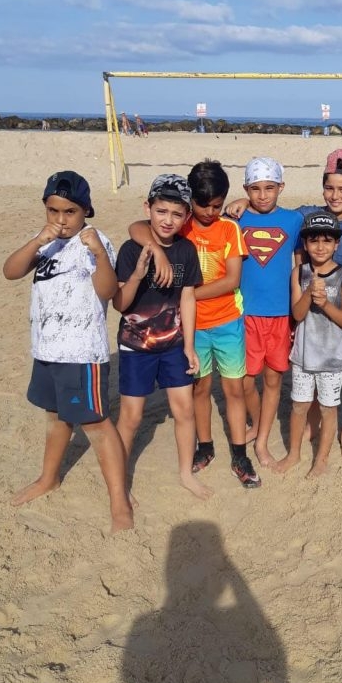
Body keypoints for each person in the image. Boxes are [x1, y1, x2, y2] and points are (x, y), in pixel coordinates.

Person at [226, 148, 342, 462]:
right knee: (321, 372)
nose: (335, 195)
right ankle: (313, 423)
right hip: (321, 319)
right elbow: (271, 208)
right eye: (329, 188)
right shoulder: (306, 215)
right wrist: (243, 202)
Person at [2, 170, 133, 533]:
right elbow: (10, 272)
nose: (61, 219)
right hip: (47, 349)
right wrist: (36, 241)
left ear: (86, 210)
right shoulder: (44, 242)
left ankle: (119, 500)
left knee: (95, 424)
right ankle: (48, 478)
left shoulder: (95, 241)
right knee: (55, 415)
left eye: (70, 211)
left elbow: (107, 291)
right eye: (53, 210)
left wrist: (99, 254)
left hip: (80, 352)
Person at [129, 160, 260, 489]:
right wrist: (158, 252)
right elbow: (136, 227)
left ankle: (240, 453)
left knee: (233, 389)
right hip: (192, 326)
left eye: (217, 205)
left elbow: (231, 280)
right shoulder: (181, 224)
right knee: (200, 388)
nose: (210, 212)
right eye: (203, 205)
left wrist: (186, 292)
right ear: (190, 203)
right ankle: (205, 446)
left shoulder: (229, 229)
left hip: (227, 321)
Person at [113, 174, 211, 501]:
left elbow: (187, 298)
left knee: (184, 410)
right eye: (161, 211)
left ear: (186, 216)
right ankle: (119, 479)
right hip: (136, 346)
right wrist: (139, 273)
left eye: (177, 214)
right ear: (148, 208)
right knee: (131, 417)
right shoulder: (131, 250)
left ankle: (185, 473)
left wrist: (189, 346)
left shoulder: (186, 250)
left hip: (173, 345)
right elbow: (120, 304)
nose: (168, 220)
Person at [275, 211, 342, 478]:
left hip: (332, 358)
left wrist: (326, 304)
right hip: (303, 356)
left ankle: (321, 459)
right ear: (305, 245)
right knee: (299, 406)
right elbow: (297, 315)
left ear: (336, 244)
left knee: (328, 409)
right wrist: (309, 293)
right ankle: (294, 454)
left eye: (327, 241)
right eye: (314, 241)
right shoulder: (299, 273)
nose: (320, 247)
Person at [237, 157, 302, 469]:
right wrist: (237, 205)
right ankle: (257, 418)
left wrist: (298, 311)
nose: (262, 195)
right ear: (245, 189)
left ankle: (262, 440)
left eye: (269, 188)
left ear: (281, 187)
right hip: (245, 315)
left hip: (280, 315)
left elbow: (301, 266)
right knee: (246, 381)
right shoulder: (235, 220)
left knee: (273, 380)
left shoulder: (293, 220)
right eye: (255, 189)